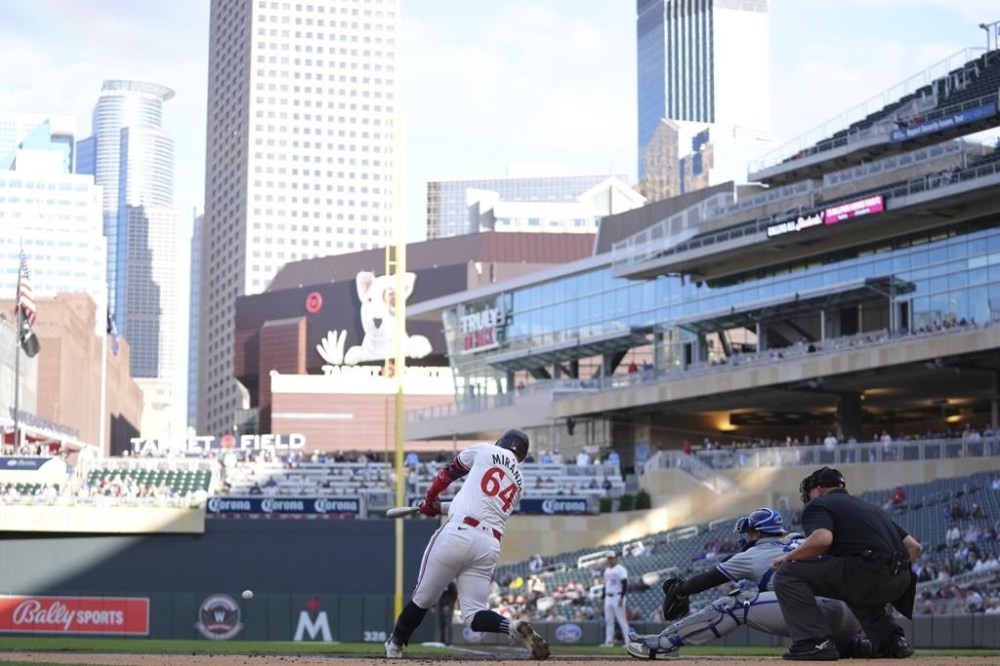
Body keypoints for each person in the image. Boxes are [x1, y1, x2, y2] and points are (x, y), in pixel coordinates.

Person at [384, 429, 549, 660]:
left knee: (423, 599)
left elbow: (448, 472)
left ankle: (395, 644)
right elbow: (480, 505)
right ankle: (512, 627)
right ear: (521, 456)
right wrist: (438, 507)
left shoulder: (485, 450)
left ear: (500, 442)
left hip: (458, 533)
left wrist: (431, 498)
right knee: (474, 615)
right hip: (488, 545)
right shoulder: (519, 483)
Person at [626, 508, 871, 660]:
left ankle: (664, 643)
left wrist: (680, 589)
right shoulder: (799, 540)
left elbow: (709, 579)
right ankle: (858, 645)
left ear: (757, 533)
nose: (746, 538)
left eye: (749, 534)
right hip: (850, 615)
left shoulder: (751, 554)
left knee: (734, 602)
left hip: (817, 613)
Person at [771, 467, 921, 660]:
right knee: (855, 590)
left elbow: (822, 539)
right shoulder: (871, 508)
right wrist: (890, 576)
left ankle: (815, 641)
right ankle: (892, 641)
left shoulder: (818, 504)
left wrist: (787, 557)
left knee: (788, 572)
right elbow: (914, 547)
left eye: (810, 492)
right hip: (901, 579)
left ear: (818, 489)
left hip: (867, 570)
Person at [602, 552, 630, 646]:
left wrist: (622, 597)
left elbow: (625, 583)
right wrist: (603, 597)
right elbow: (605, 585)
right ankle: (609, 641)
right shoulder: (606, 571)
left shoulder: (621, 569)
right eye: (608, 558)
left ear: (616, 558)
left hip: (617, 596)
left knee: (621, 620)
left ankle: (628, 641)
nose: (609, 560)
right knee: (609, 621)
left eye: (611, 558)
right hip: (608, 597)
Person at [435, 581, 458, 646]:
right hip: (440, 606)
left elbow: (455, 595)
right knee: (441, 625)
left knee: (448, 624)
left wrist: (449, 605)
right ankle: (441, 642)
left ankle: (449, 642)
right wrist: (435, 606)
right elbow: (437, 594)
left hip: (448, 606)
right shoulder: (440, 583)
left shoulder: (451, 584)